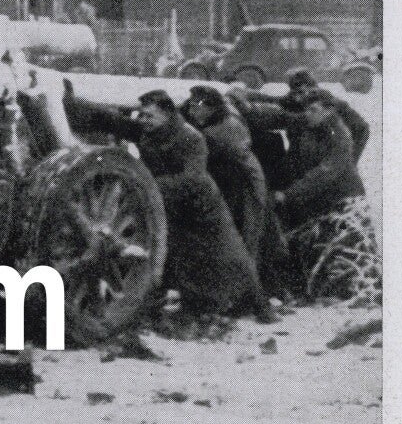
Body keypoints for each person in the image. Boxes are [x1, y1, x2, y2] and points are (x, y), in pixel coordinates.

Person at [127, 90, 272, 321]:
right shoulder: (150, 132)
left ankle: (262, 307)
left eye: (149, 116)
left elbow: (194, 178)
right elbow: (113, 122)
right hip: (172, 201)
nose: (143, 121)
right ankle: (186, 305)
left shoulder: (191, 137)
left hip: (203, 205)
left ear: (167, 114)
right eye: (141, 115)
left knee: (233, 254)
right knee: (177, 254)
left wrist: (149, 185)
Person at [274, 85, 379, 304]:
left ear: (329, 110)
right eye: (306, 109)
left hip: (343, 201)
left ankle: (342, 292)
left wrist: (289, 194)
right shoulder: (312, 129)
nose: (307, 114)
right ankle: (315, 290)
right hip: (321, 198)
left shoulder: (340, 135)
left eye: (313, 110)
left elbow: (325, 172)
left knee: (343, 250)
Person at [182, 84, 284, 293]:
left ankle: (247, 291)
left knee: (246, 238)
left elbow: (238, 161)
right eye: (190, 107)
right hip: (230, 182)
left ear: (211, 108)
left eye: (196, 107)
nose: (191, 112)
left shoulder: (224, 129)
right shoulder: (217, 115)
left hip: (243, 186)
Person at [285, 68, 370, 161]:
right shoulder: (293, 100)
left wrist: (347, 161)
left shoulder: (325, 99)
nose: (298, 96)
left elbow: (361, 127)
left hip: (325, 157)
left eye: (301, 90)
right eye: (295, 91)